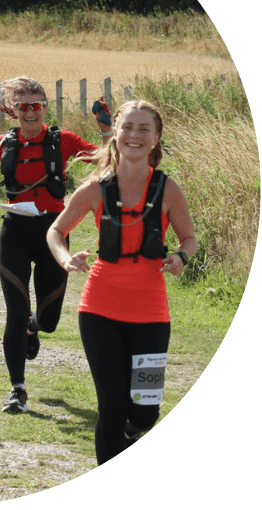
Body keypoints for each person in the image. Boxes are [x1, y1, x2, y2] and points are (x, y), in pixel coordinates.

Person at [46, 99, 197, 465]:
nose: (134, 135)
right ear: (115, 132)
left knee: (145, 411)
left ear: (157, 138)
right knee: (111, 406)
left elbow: (189, 238)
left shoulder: (168, 189)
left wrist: (180, 258)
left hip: (150, 314)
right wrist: (67, 259)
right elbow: (56, 230)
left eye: (144, 129)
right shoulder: (97, 189)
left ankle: (132, 436)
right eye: (127, 127)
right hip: (101, 311)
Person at [0, 77, 111, 413]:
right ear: (15, 110)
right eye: (23, 106)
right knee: (15, 310)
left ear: (45, 107)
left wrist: (107, 130)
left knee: (48, 321)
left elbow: (106, 160)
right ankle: (17, 390)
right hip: (15, 234)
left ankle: (32, 328)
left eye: (36, 105)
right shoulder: (3, 143)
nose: (30, 112)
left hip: (54, 234)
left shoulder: (63, 140)